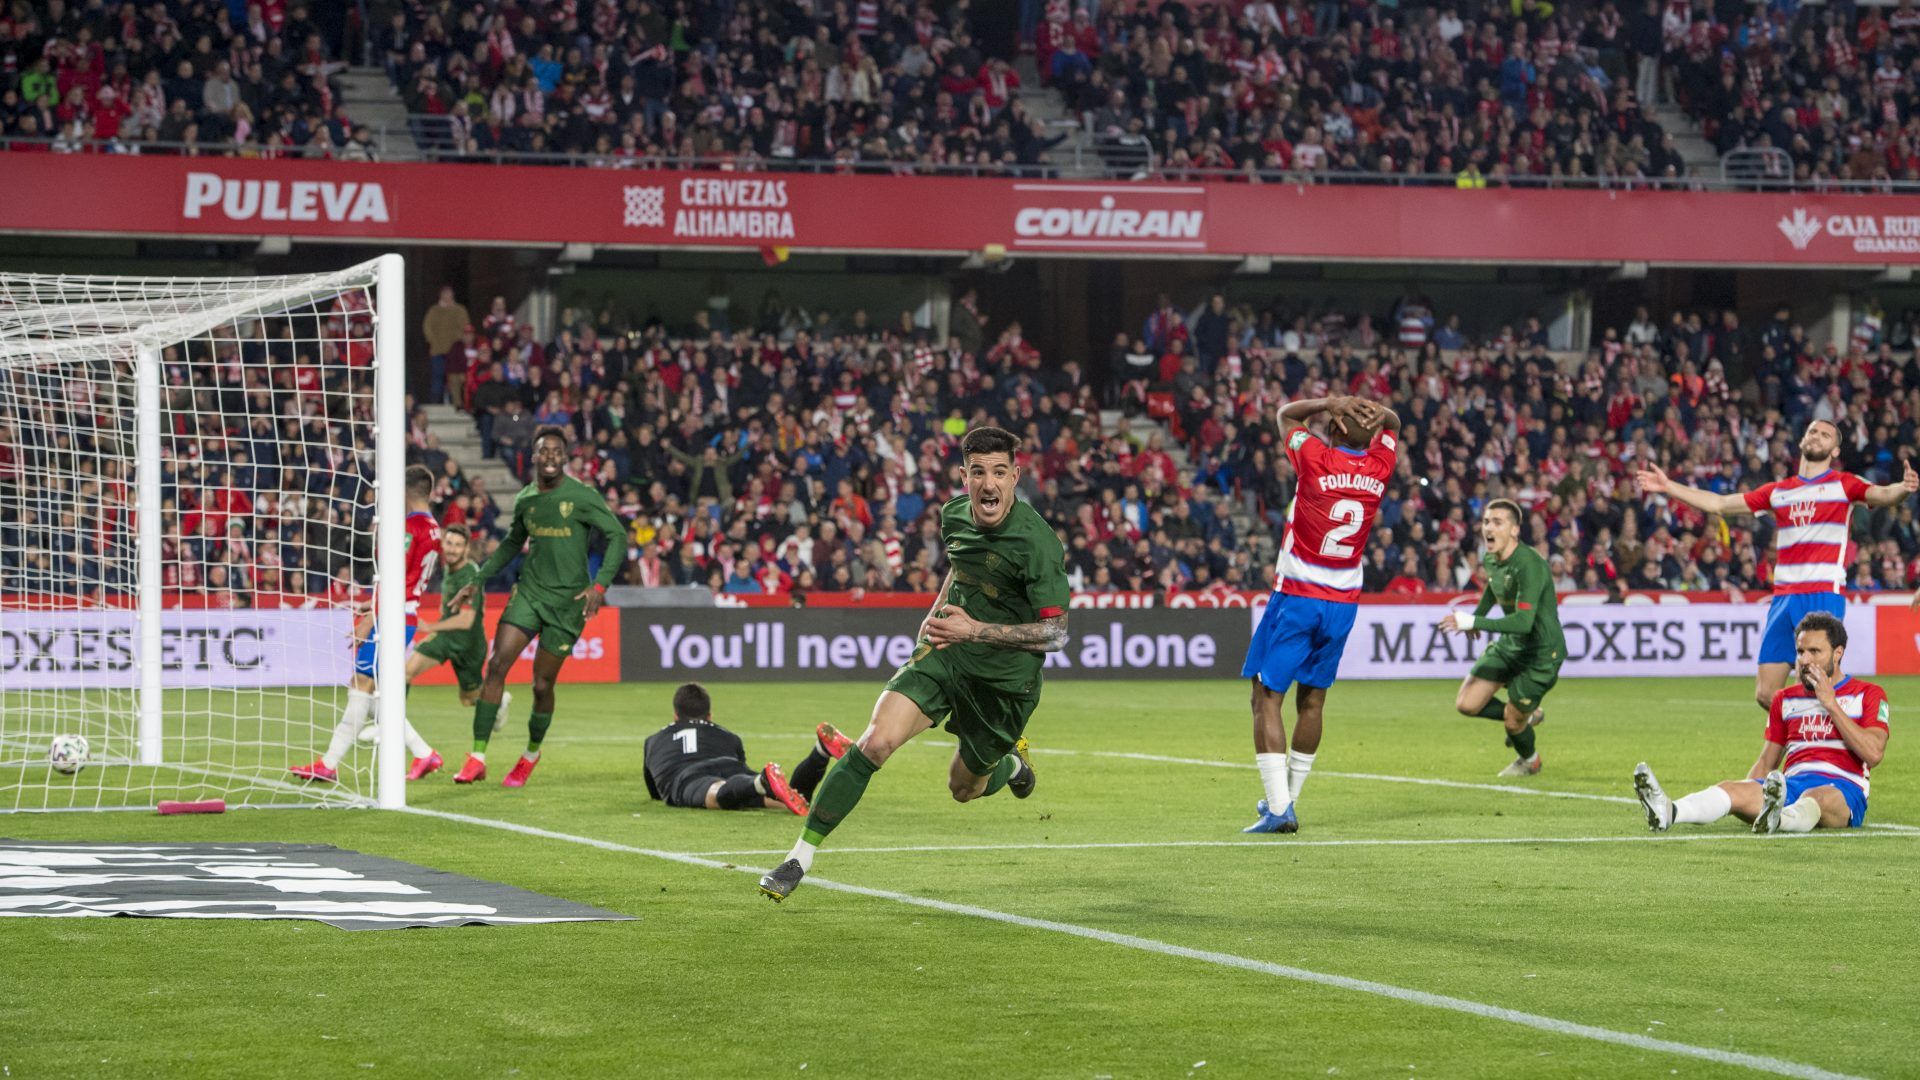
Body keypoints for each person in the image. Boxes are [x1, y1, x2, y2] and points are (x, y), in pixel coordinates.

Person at [757, 427, 1068, 903]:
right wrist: (938, 606)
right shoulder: (954, 516)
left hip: (1005, 685)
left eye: (1000, 473)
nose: (989, 484)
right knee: (876, 742)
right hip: (947, 653)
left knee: (963, 787)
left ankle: (1008, 767)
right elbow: (961, 565)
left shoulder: (1037, 543)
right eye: (979, 472)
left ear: (1015, 476)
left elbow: (1056, 633)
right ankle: (799, 858)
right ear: (964, 477)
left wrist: (976, 630)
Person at [1635, 422, 1916, 709]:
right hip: (1784, 598)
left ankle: (1831, 749)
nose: (1817, 436)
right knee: (1766, 693)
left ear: (1834, 450)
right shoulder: (1779, 492)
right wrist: (1668, 486)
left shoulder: (1844, 484)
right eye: (1813, 432)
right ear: (1803, 439)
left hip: (1821, 594)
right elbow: (1720, 503)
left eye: (1825, 435)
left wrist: (1903, 489)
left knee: (1812, 685)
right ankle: (1805, 741)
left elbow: (1883, 495)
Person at [1240, 396, 1399, 834]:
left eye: (1341, 415)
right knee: (1314, 698)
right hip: (1343, 602)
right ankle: (1287, 799)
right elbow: (1394, 427)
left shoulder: (1315, 458)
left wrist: (1327, 400)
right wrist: (1380, 414)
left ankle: (1278, 807)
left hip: (1298, 595)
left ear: (1341, 429)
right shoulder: (1380, 468)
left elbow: (1285, 415)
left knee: (1265, 695)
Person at [449, 427, 627, 788]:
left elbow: (618, 535)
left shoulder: (582, 496)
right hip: (529, 593)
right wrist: (478, 578)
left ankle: (530, 754)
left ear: (565, 458)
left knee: (542, 685)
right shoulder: (526, 498)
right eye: (543, 451)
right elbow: (512, 542)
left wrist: (599, 585)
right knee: (497, 665)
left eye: (556, 452)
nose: (549, 457)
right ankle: (477, 757)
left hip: (568, 603)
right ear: (533, 456)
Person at [1634, 613, 1888, 834]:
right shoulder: (1785, 699)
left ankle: (1778, 819)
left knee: (1816, 797)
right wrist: (1746, 795)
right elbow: (1767, 762)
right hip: (1791, 784)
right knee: (1731, 789)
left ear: (1838, 653)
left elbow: (1874, 754)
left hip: (1843, 788)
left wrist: (1830, 703)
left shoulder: (1868, 694)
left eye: (1815, 652)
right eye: (1800, 652)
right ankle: (1669, 811)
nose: (1805, 660)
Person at [292, 466, 443, 783]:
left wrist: (370, 619)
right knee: (369, 691)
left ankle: (329, 765)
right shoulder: (433, 528)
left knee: (362, 685)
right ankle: (423, 753)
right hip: (404, 613)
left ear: (405, 491)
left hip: (392, 616)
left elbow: (396, 579)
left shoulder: (410, 528)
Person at [355, 522, 513, 777]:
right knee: (405, 671)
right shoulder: (447, 567)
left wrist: (431, 626)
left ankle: (498, 701)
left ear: (466, 549)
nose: (451, 549)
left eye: (457, 545)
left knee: (469, 699)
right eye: (448, 543)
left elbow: (467, 620)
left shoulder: (471, 575)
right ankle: (388, 725)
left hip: (469, 645)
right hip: (445, 639)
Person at [1436, 499, 1562, 777]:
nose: (1488, 528)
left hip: (1540, 653)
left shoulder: (1530, 565)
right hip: (1510, 645)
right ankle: (1527, 713)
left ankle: (1530, 761)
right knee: (1467, 704)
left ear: (1515, 530)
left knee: (1513, 724)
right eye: (1485, 522)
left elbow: (1524, 622)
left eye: (1497, 522)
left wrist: (1473, 621)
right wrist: (1477, 615)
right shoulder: (1491, 557)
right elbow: (1495, 587)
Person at [643, 683, 851, 814]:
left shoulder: (653, 741)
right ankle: (821, 751)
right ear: (710, 715)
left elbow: (655, 792)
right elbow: (739, 765)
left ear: (675, 715)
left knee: (716, 795)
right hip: (733, 769)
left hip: (688, 776)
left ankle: (761, 782)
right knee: (794, 800)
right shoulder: (728, 736)